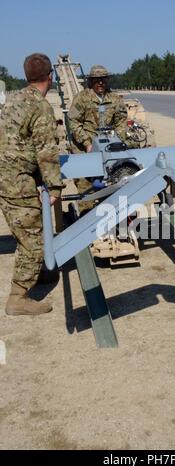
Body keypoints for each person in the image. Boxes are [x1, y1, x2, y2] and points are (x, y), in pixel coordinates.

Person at [0, 53, 64, 316]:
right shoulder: (40, 106)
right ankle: (18, 298)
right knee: (32, 239)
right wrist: (55, 187)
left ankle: (40, 271)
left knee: (23, 230)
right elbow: (46, 150)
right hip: (17, 180)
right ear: (51, 77)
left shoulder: (13, 98)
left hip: (5, 175)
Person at [68, 65, 128, 212]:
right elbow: (73, 122)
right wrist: (87, 143)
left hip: (108, 149)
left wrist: (117, 140)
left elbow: (121, 119)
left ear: (108, 80)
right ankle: (86, 218)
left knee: (112, 183)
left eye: (103, 79)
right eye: (96, 80)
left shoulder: (114, 99)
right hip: (85, 149)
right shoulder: (82, 99)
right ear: (91, 81)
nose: (100, 83)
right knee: (85, 186)